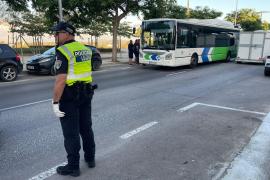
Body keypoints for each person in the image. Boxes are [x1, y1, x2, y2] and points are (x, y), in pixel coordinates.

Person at [51, 21, 96, 177]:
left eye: (57, 33)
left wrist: (55, 102)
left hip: (69, 97)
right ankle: (90, 159)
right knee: (86, 128)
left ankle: (73, 167)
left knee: (71, 133)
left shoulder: (63, 51)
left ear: (67, 33)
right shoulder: (85, 49)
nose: (55, 36)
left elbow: (61, 80)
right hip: (86, 94)